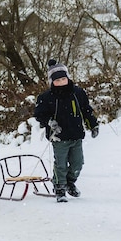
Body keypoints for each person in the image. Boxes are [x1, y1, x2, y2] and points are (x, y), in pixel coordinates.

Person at [34, 59, 99, 203]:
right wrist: (50, 123)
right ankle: (59, 188)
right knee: (61, 164)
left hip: (76, 134)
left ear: (68, 78)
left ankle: (70, 182)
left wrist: (93, 125)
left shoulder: (78, 93)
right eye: (57, 80)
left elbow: (86, 110)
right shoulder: (46, 97)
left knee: (78, 163)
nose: (61, 82)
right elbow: (39, 115)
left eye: (63, 79)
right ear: (52, 82)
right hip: (58, 137)